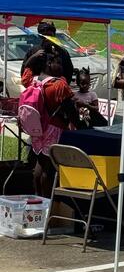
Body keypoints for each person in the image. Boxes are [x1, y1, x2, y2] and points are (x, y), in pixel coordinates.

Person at [22, 53, 76, 197]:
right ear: (49, 64)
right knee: (49, 169)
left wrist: (33, 57)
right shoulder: (58, 85)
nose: (61, 67)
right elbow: (70, 109)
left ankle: (37, 198)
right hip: (53, 128)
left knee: (39, 165)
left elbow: (26, 70)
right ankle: (47, 201)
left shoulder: (32, 81)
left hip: (36, 129)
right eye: (58, 63)